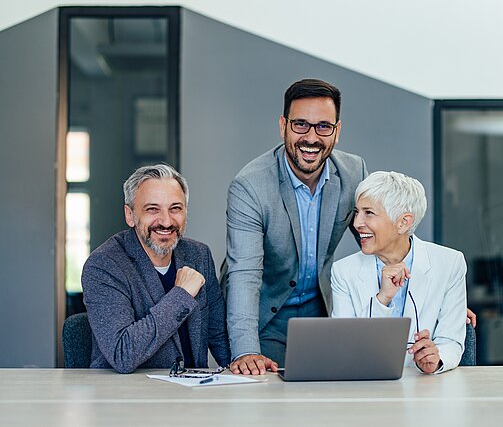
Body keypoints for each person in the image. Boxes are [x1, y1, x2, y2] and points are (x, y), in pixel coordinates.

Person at [224, 78, 368, 375]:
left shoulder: (354, 173)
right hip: (264, 317)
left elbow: (385, 244)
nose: (311, 138)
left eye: (323, 126)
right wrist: (246, 351)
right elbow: (244, 275)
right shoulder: (250, 185)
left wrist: (435, 303)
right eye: (301, 125)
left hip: (321, 315)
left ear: (337, 131)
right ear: (283, 126)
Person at [82, 164, 230, 373]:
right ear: (130, 215)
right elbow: (123, 354)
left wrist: (244, 360)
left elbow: (219, 335)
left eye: (175, 208)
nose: (167, 221)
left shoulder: (199, 255)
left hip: (192, 394)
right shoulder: (104, 265)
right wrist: (181, 295)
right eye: (153, 209)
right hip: (127, 397)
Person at [331, 171, 466, 373]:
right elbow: (345, 347)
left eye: (368, 213)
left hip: (426, 388)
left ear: (403, 222)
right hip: (365, 386)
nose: (357, 223)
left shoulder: (449, 263)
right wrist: (382, 299)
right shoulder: (343, 271)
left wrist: (436, 359)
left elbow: (451, 341)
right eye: (357, 212)